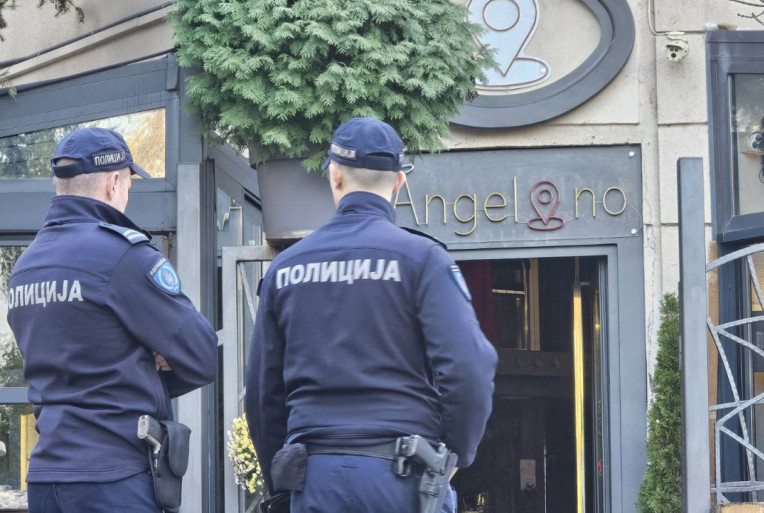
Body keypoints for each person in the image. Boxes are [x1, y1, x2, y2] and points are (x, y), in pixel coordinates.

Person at [245, 117, 498, 513]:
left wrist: (282, 481)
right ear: (399, 182)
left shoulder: (286, 268)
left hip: (315, 479)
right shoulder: (423, 260)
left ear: (334, 175)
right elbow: (468, 366)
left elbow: (263, 393)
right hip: (402, 479)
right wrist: (454, 454)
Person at [5, 127, 218, 512]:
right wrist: (151, 363)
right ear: (113, 183)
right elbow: (201, 353)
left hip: (46, 479)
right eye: (128, 185)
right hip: (113, 479)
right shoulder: (123, 255)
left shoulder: (26, 267)